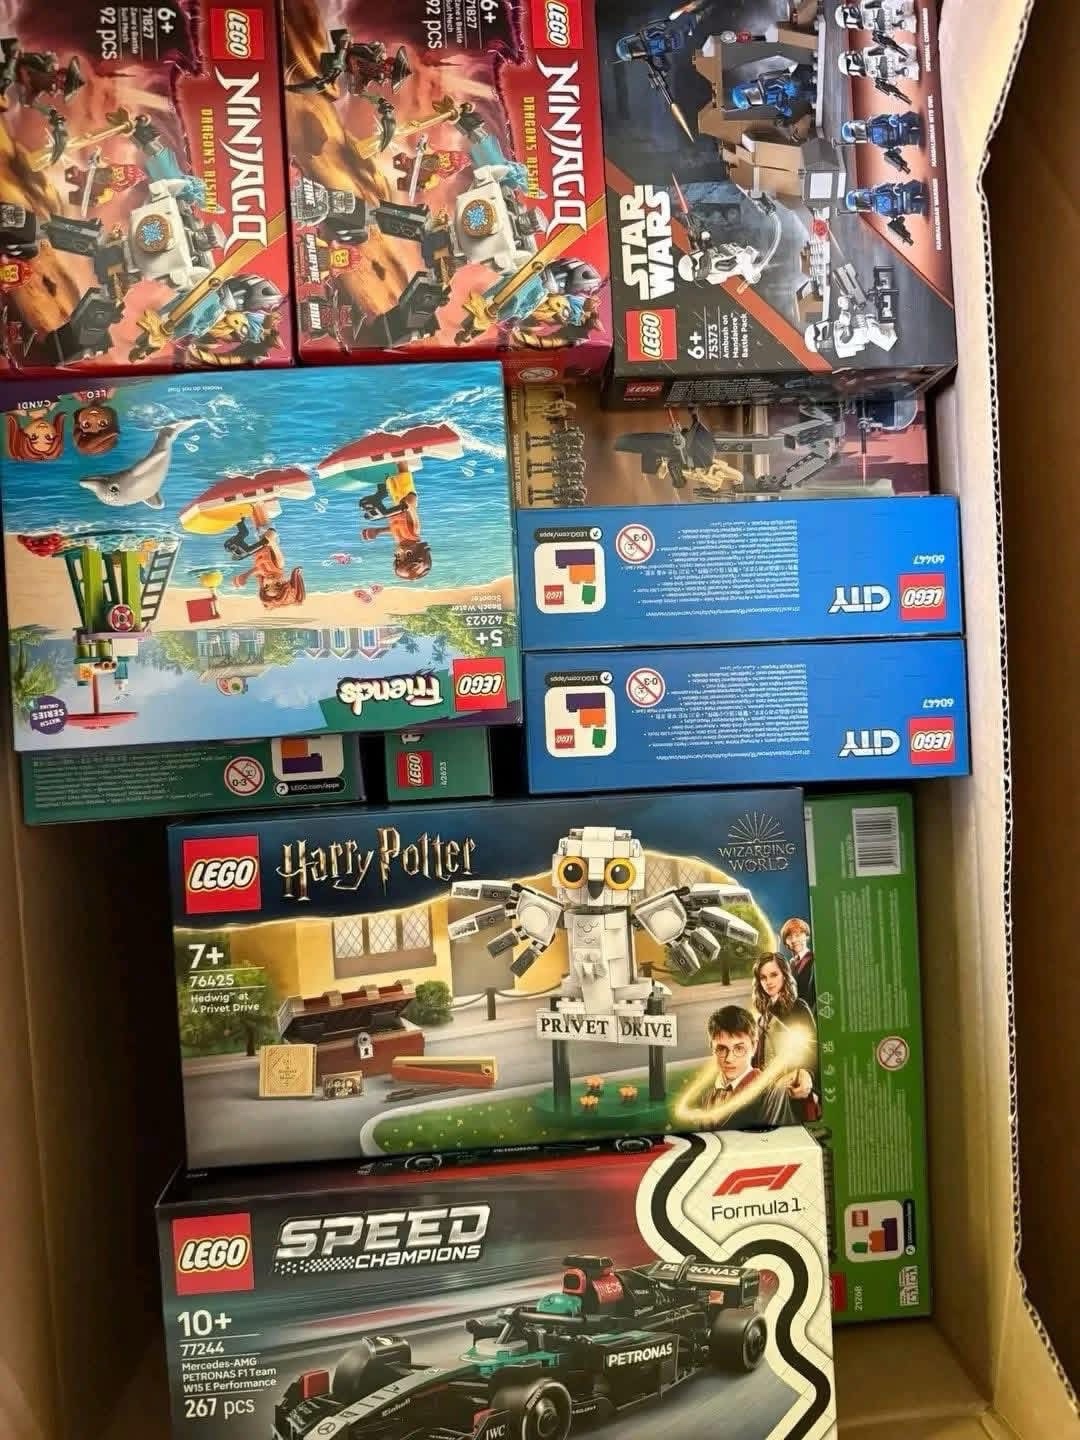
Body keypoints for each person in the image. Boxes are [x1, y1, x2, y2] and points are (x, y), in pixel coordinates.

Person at [751, 952, 819, 1122]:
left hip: (794, 1092)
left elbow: (812, 1050)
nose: (768, 982)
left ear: (784, 975)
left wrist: (808, 1075)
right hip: (768, 1095)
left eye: (774, 975)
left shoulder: (798, 1008)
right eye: (763, 977)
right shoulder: (762, 1018)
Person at [702, 1004, 794, 1129]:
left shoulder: (770, 1094)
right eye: (722, 1049)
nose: (729, 1058)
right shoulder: (707, 1097)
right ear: (712, 1047)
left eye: (739, 1048)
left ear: (754, 1046)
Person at [358, 469, 432, 581]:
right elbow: (412, 509)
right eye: (403, 555)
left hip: (396, 500)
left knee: (390, 482)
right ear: (414, 553)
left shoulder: (400, 540)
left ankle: (381, 471)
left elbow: (394, 528)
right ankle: (400, 460)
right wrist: (410, 505)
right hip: (406, 495)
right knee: (402, 472)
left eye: (396, 556)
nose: (397, 553)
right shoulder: (414, 532)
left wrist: (377, 531)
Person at [232, 527, 306, 609]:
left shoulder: (264, 573)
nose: (271, 581)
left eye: (267, 586)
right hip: (268, 537)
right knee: (259, 524)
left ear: (262, 586)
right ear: (284, 583)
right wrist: (271, 540)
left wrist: (245, 575)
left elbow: (257, 569)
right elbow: (276, 549)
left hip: (259, 542)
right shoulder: (279, 565)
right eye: (277, 584)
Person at [780, 916, 816, 1009]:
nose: (794, 940)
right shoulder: (790, 965)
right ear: (785, 942)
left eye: (798, 935)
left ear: (807, 937)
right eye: (789, 937)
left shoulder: (815, 961)